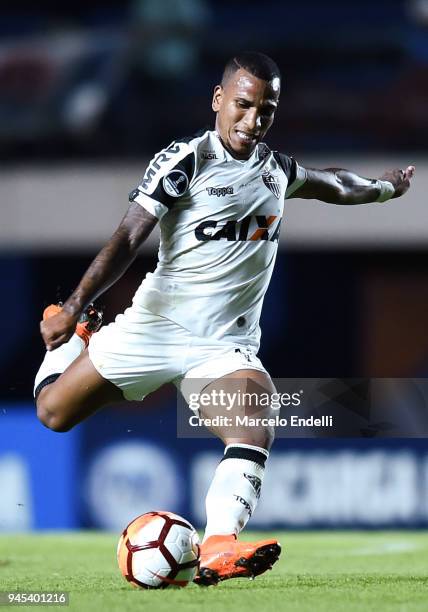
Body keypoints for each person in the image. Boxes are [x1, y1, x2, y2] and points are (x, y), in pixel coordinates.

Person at [34, 52, 415, 586]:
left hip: (221, 348)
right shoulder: (185, 161)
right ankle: (73, 338)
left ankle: (218, 547)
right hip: (154, 328)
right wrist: (74, 305)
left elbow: (332, 183)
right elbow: (127, 237)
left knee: (255, 423)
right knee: (52, 413)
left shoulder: (275, 170)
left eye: (266, 110)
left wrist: (383, 189)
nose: (252, 121)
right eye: (242, 105)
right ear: (218, 100)